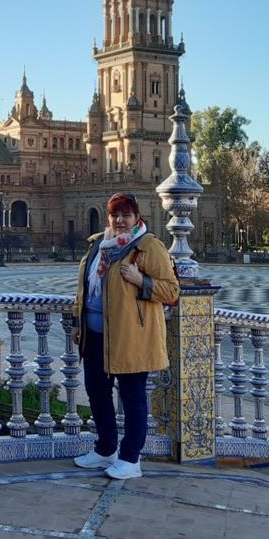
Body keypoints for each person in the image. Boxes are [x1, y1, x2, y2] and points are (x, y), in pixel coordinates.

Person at [72, 192, 179, 480]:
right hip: (95, 335)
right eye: (115, 215)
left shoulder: (148, 246)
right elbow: (84, 289)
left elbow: (171, 291)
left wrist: (141, 280)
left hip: (132, 336)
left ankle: (131, 458)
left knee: (132, 397)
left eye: (126, 215)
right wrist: (77, 323)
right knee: (97, 392)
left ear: (137, 218)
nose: (119, 220)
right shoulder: (99, 245)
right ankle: (105, 449)